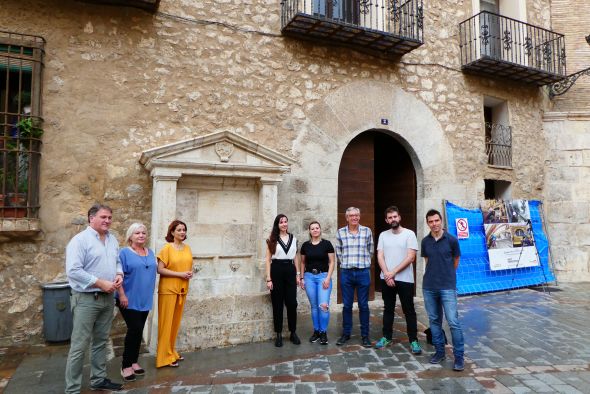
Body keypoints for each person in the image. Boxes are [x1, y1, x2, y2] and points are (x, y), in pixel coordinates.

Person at [65, 204, 124, 393]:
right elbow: (73, 271)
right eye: (103, 217)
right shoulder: (79, 241)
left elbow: (117, 261)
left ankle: (98, 379)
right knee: (79, 345)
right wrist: (99, 282)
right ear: (91, 218)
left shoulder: (112, 239)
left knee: (101, 341)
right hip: (86, 299)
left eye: (109, 217)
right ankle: (72, 389)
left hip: (107, 298)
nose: (107, 221)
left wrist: (119, 274)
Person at [421, 209, 465, 371]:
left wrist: (447, 275)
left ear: (441, 221)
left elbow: (456, 260)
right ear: (427, 223)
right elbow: (427, 261)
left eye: (436, 221)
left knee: (453, 322)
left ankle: (459, 356)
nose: (434, 224)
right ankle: (439, 352)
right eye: (431, 222)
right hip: (429, 287)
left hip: (447, 286)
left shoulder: (452, 240)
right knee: (434, 321)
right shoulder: (425, 242)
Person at [374, 206, 422, 355]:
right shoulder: (383, 235)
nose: (393, 219)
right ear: (386, 220)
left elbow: (410, 257)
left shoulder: (409, 234)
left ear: (399, 217)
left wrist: (392, 272)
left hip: (405, 279)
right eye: (390, 217)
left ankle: (413, 340)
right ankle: (387, 337)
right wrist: (387, 274)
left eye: (395, 216)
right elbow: (380, 256)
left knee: (409, 310)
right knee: (388, 309)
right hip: (387, 278)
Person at [116, 223, 157, 381]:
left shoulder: (150, 252)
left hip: (145, 298)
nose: (141, 235)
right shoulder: (124, 253)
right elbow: (117, 274)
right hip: (128, 298)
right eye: (137, 233)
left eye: (143, 233)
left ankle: (134, 362)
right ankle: (125, 365)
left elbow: (157, 268)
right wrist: (121, 295)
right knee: (135, 329)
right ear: (130, 236)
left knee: (138, 331)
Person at [156, 220, 193, 368]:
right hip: (168, 290)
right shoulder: (166, 248)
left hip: (182, 290)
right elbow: (160, 269)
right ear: (172, 232)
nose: (182, 232)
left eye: (184, 230)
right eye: (179, 230)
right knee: (166, 324)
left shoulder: (187, 248)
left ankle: (171, 351)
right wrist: (180, 274)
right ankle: (163, 358)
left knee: (174, 324)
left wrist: (189, 274)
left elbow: (188, 265)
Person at [335, 207, 374, 348]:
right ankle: (346, 333)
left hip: (363, 272)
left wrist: (363, 263)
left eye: (357, 215)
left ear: (359, 216)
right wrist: (346, 263)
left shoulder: (367, 231)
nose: (354, 218)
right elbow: (338, 252)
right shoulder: (340, 232)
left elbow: (370, 250)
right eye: (351, 215)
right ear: (347, 218)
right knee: (347, 305)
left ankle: (365, 335)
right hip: (346, 273)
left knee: (364, 305)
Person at [265, 214, 301, 347]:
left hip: (290, 270)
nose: (284, 224)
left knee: (292, 303)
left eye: (286, 221)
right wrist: (269, 278)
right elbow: (268, 260)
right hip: (276, 270)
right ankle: (278, 334)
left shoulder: (293, 238)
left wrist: (297, 274)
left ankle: (293, 332)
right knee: (277, 303)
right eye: (281, 222)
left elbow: (296, 257)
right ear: (277, 224)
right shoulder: (272, 240)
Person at [299, 221, 335, 345]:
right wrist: (302, 278)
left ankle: (323, 332)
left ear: (320, 229)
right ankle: (316, 331)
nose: (315, 230)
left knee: (323, 306)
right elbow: (302, 263)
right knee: (314, 306)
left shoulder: (327, 244)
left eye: (317, 228)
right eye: (312, 228)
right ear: (309, 231)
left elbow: (331, 262)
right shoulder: (305, 246)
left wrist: (328, 278)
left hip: (323, 277)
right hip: (309, 277)